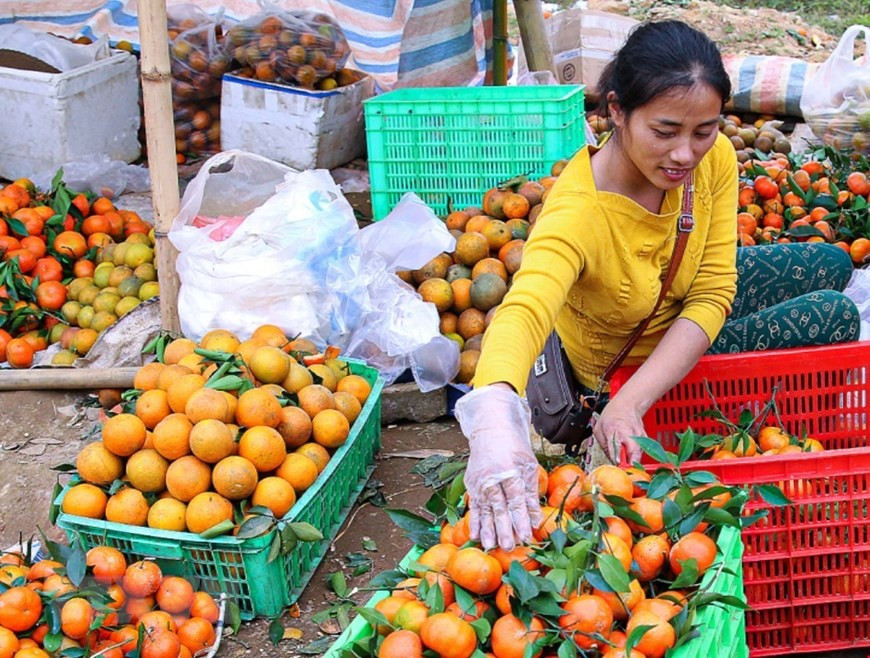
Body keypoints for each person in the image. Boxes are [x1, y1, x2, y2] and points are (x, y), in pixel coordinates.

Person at [454, 19, 860, 552]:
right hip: (629, 365)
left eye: (703, 130)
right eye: (664, 132)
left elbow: (714, 289)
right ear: (618, 111)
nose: (684, 155)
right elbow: (525, 308)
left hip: (681, 307)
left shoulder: (711, 159)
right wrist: (494, 417)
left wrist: (700, 144)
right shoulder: (577, 215)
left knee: (831, 261)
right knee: (836, 315)